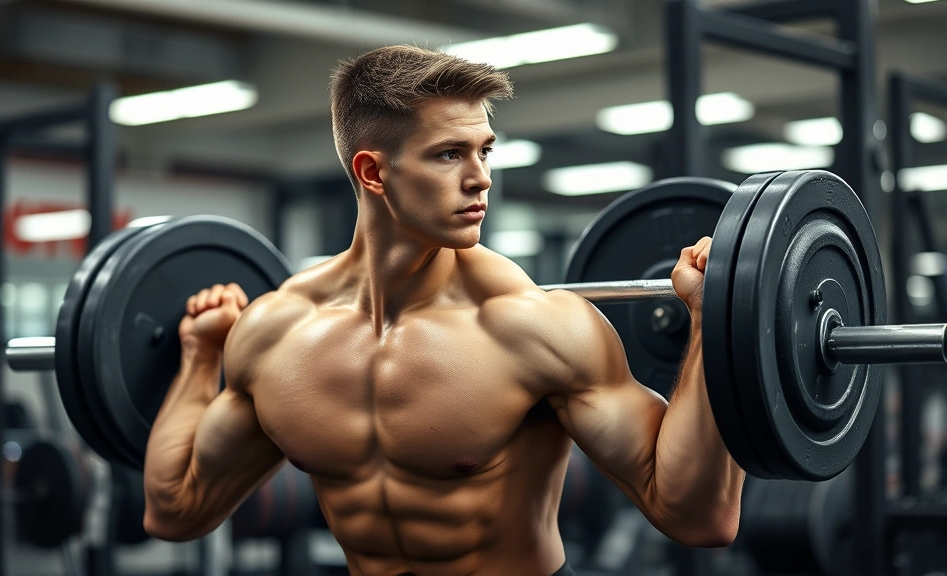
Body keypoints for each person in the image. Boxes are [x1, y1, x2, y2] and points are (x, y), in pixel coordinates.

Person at [143, 44, 745, 576]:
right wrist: (200, 356)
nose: (481, 179)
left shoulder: (532, 326)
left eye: (485, 150)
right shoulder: (274, 334)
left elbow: (698, 516)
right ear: (373, 171)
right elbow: (176, 510)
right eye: (449, 154)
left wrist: (714, 322)